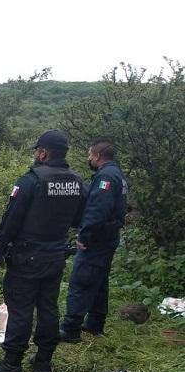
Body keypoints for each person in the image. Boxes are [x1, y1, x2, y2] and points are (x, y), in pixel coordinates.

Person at [0, 130, 85, 372]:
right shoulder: (76, 182)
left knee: (20, 309)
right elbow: (79, 219)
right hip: (56, 254)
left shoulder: (31, 180)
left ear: (43, 153)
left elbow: (11, 219)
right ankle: (42, 362)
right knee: (49, 308)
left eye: (37, 151)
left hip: (27, 256)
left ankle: (11, 364)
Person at [59, 140, 128, 342]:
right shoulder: (118, 174)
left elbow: (98, 210)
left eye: (90, 155)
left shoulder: (106, 176)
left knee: (82, 280)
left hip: (97, 239)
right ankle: (95, 323)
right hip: (108, 237)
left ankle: (71, 328)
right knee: (99, 280)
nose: (88, 158)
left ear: (97, 156)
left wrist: (84, 235)